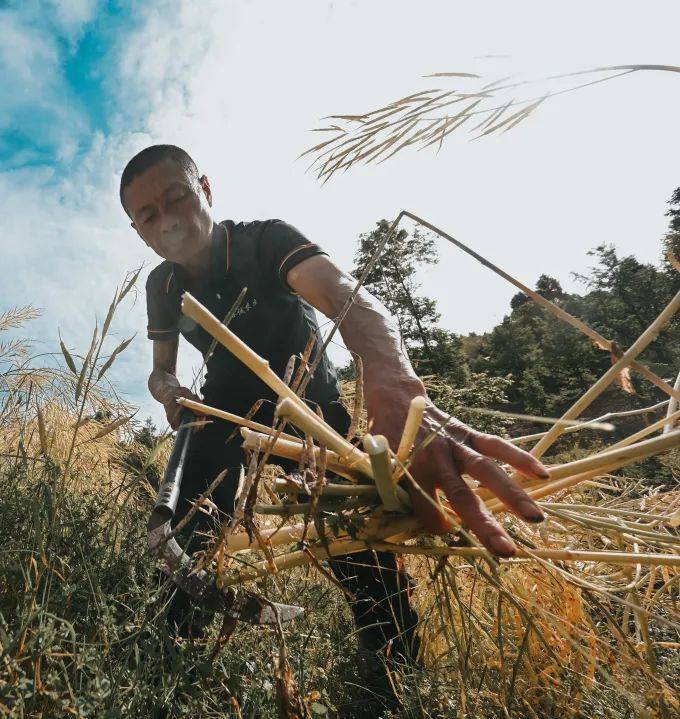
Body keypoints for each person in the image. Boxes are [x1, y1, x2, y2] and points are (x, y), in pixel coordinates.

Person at [119, 144, 551, 687]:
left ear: (204, 189)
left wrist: (399, 390)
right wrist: (169, 391)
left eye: (176, 197)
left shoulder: (265, 240)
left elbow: (347, 296)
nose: (168, 221)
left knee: (356, 537)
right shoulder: (163, 286)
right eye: (148, 215)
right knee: (183, 531)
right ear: (138, 230)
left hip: (310, 413)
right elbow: (160, 369)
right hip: (224, 416)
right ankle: (172, 668)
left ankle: (395, 670)